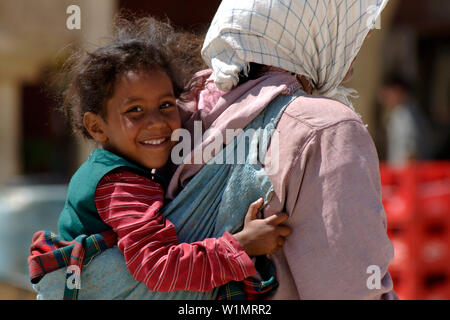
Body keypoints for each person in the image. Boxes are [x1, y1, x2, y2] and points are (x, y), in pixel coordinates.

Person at [28, 16, 291, 300]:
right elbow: (157, 268)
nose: (156, 122)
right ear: (97, 127)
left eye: (165, 105)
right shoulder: (119, 185)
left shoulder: (133, 168)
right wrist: (241, 246)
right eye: (135, 111)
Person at [168, 0, 397, 299]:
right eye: (347, 29)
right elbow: (352, 288)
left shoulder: (180, 111)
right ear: (311, 32)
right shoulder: (326, 127)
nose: (357, 42)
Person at [378, 74, 431, 166]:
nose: (385, 97)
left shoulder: (403, 115)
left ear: (397, 91)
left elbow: (411, 151)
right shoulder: (410, 111)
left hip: (404, 175)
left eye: (388, 93)